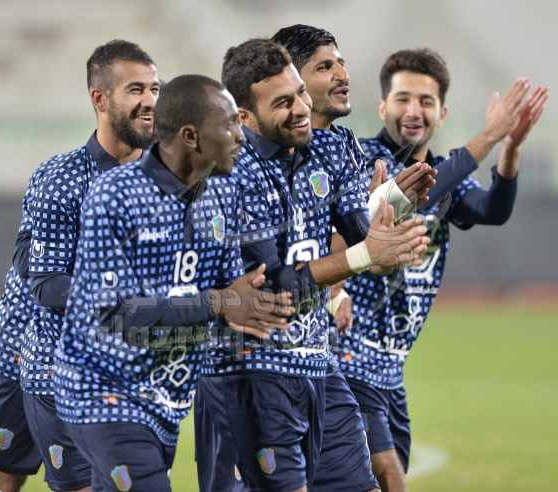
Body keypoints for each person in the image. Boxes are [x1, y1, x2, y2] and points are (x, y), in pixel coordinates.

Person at [197, 38, 432, 492]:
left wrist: (390, 213)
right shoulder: (232, 173)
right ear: (244, 117)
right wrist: (367, 252)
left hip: (317, 364)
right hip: (249, 372)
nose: (303, 108)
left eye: (301, 92)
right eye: (283, 102)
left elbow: (366, 244)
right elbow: (271, 290)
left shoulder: (326, 151)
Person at [53, 74, 294, 492]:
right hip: (102, 393)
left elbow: (237, 292)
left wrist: (357, 258)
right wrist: (219, 302)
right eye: (229, 125)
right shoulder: (116, 195)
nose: (241, 136)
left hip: (167, 401)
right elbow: (116, 314)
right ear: (191, 136)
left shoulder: (222, 193)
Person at [336, 49, 548, 491]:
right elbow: (412, 198)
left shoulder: (445, 173)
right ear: (383, 107)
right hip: (347, 355)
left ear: (442, 113)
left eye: (426, 101)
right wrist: (487, 136)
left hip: (391, 368)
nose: (413, 111)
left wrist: (509, 148)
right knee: (389, 476)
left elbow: (492, 210)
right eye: (403, 99)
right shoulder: (363, 161)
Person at [19, 39, 160, 492]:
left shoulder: (171, 178)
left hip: (142, 380)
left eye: (155, 89)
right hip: (62, 376)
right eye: (136, 89)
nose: (150, 100)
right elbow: (45, 282)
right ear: (100, 99)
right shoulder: (63, 180)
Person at [0, 166, 51, 492]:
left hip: (97, 353)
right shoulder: (59, 175)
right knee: (4, 470)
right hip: (20, 342)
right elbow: (27, 261)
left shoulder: (157, 179)